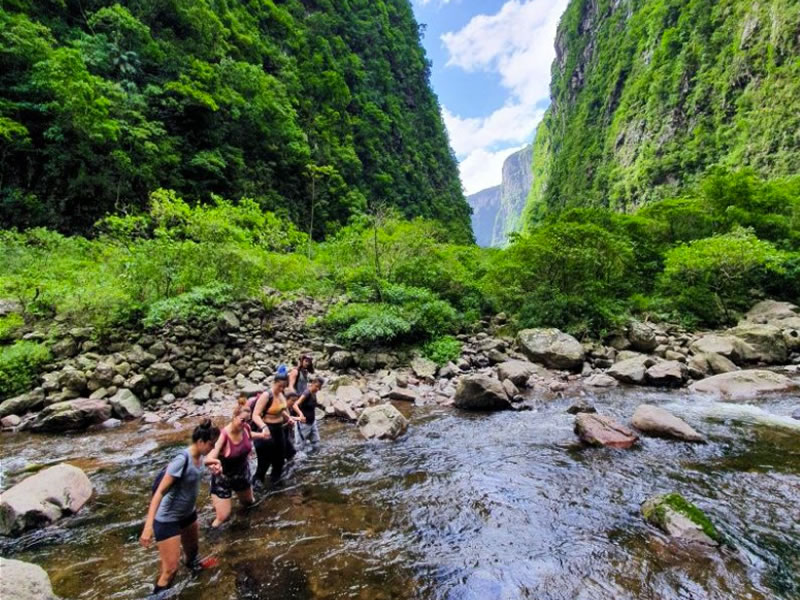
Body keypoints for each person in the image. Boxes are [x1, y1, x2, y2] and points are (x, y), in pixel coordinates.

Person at [140, 420, 220, 594]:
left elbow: (198, 465)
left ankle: (196, 582)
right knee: (170, 570)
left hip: (188, 514)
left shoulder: (199, 457)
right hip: (167, 519)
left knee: (193, 556)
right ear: (200, 442)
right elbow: (159, 493)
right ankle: (157, 596)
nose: (213, 448)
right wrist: (148, 527)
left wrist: (213, 465)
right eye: (211, 445)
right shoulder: (181, 459)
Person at [205, 399, 266, 527]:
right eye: (242, 420)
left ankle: (245, 527)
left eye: (247, 421)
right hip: (223, 479)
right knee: (223, 517)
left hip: (242, 475)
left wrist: (261, 435)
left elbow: (249, 435)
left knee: (249, 503)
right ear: (234, 416)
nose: (245, 424)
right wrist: (214, 465)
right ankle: (214, 541)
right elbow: (210, 457)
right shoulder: (223, 435)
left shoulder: (246, 428)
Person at [251, 366, 298, 486]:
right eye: (280, 386)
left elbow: (281, 410)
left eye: (284, 386)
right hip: (267, 430)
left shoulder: (281, 394)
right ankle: (257, 483)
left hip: (279, 430)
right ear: (274, 383)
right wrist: (264, 427)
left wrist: (289, 418)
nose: (281, 388)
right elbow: (255, 415)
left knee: (279, 459)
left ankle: (276, 483)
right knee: (264, 462)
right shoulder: (266, 395)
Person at [293, 376, 324, 452]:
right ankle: (298, 462)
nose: (317, 389)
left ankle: (315, 459)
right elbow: (295, 405)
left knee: (316, 443)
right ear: (312, 383)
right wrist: (300, 415)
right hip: (303, 424)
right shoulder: (307, 393)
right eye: (316, 386)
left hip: (312, 423)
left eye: (319, 387)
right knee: (300, 446)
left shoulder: (314, 393)